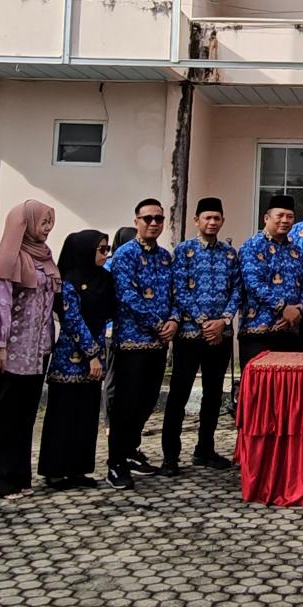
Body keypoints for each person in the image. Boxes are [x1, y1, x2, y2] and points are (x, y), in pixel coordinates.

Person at [160, 198, 240, 475]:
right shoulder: (183, 252)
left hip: (221, 336)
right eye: (207, 218)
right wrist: (205, 321)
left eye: (217, 218)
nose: (212, 222)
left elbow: (237, 291)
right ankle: (170, 455)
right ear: (197, 220)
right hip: (190, 336)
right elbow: (178, 290)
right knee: (179, 395)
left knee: (213, 395)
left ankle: (204, 449)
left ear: (222, 221)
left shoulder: (230, 254)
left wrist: (224, 321)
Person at [0, 199, 60, 500]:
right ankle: (1, 480)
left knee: (27, 416)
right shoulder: (10, 259)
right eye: (41, 223)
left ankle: (20, 476)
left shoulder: (44, 257)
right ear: (25, 223)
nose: (45, 230)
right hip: (12, 350)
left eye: (48, 225)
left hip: (39, 350)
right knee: (7, 416)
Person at [107, 199, 178, 490]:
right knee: (125, 404)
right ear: (136, 221)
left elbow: (175, 293)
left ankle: (131, 449)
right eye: (148, 218)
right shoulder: (124, 255)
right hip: (132, 342)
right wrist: (159, 324)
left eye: (159, 219)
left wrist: (174, 320)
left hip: (159, 344)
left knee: (147, 401)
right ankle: (115, 462)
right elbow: (127, 296)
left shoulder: (165, 257)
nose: (153, 223)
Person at [38, 230, 113, 489]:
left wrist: (98, 354)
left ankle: (79, 468)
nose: (106, 254)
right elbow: (72, 320)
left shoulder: (105, 279)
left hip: (96, 356)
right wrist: (91, 354)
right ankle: (55, 469)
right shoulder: (68, 281)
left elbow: (106, 317)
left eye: (107, 248)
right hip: (71, 357)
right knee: (64, 415)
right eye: (101, 249)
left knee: (87, 414)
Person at [237, 195, 303, 372]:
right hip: (258, 332)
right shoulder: (252, 246)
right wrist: (283, 307)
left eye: (290, 216)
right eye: (280, 215)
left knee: (288, 391)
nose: (285, 220)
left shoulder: (296, 250)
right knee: (259, 392)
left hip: (290, 331)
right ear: (266, 217)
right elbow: (253, 284)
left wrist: (297, 310)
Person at [102, 224, 136, 427]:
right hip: (111, 329)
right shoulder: (110, 265)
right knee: (112, 377)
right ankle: (109, 420)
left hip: (130, 332)